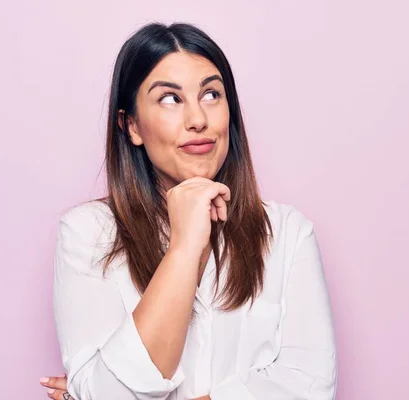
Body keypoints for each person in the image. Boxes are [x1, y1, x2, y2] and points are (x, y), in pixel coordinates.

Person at [39, 22, 337, 400]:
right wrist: (183, 246)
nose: (198, 119)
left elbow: (309, 387)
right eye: (169, 99)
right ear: (131, 125)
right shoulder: (87, 233)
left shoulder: (288, 232)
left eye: (211, 94)